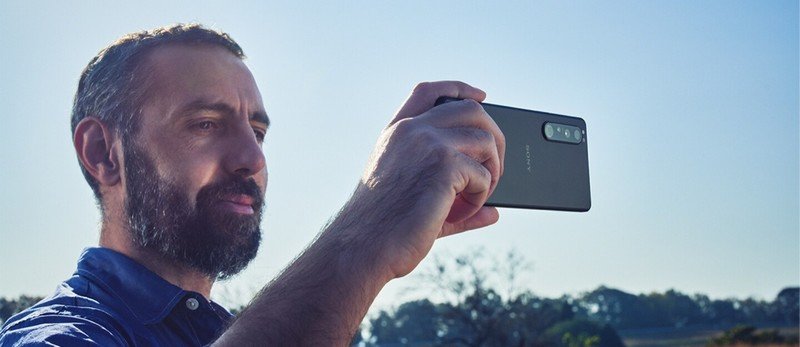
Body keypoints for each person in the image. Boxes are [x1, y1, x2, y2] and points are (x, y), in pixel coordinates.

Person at [0, 23, 505, 346]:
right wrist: (362, 239)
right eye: (205, 124)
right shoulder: (61, 336)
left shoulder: (233, 330)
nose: (252, 158)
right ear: (102, 153)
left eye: (257, 132)